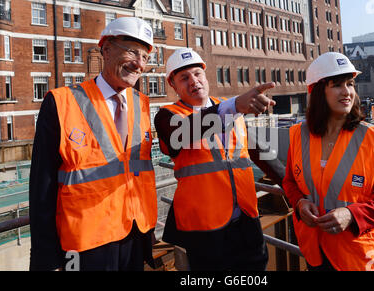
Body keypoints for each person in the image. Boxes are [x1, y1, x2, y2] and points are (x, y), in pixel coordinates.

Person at [29, 17, 158, 271]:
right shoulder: (61, 102)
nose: (139, 64)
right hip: (86, 245)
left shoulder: (142, 104)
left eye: (145, 57)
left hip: (134, 236)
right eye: (132, 52)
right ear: (106, 49)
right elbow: (42, 189)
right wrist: (46, 259)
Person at [154, 48, 285, 271]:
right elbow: (184, 133)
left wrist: (295, 189)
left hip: (246, 219)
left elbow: (259, 151)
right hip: (205, 228)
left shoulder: (227, 107)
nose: (193, 81)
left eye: (197, 74)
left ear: (206, 76)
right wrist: (234, 106)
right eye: (184, 78)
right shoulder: (168, 116)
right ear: (173, 86)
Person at [283, 52, 374, 271]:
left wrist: (352, 215)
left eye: (350, 84)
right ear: (318, 91)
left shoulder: (373, 140)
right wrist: (300, 203)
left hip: (359, 258)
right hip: (316, 253)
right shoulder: (298, 135)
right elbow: (290, 182)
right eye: (337, 85)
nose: (347, 92)